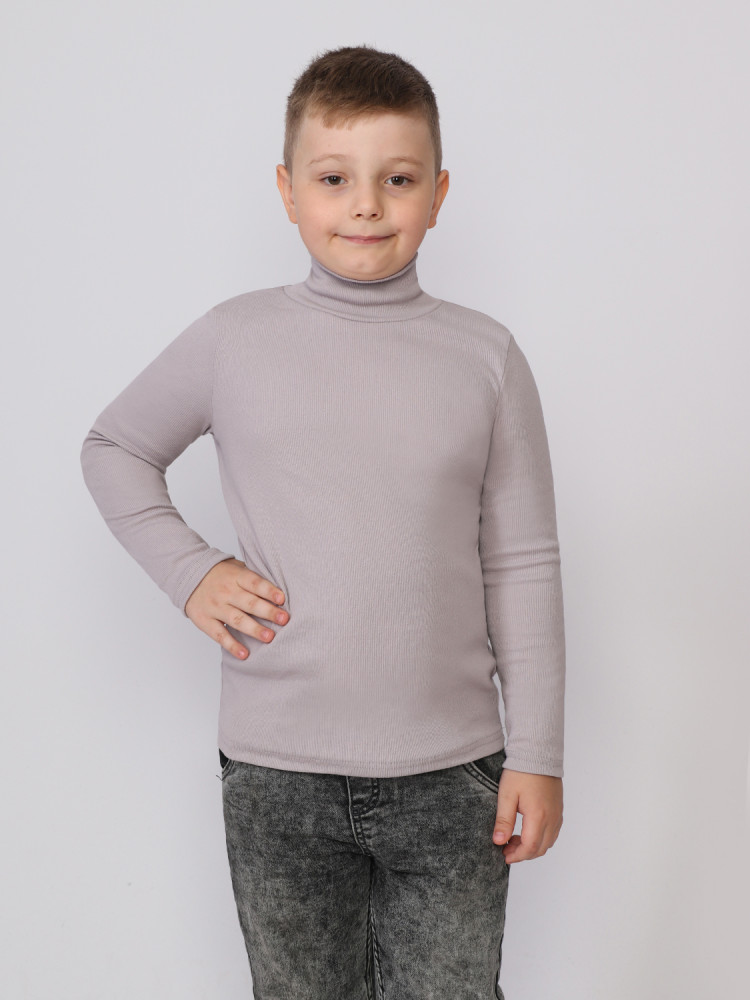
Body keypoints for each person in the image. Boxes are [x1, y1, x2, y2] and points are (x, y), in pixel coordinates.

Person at [80, 44, 565, 1000]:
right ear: (288, 190)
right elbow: (114, 447)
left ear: (439, 194)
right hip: (277, 778)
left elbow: (524, 563)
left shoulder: (486, 358)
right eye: (335, 178)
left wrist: (540, 754)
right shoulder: (235, 337)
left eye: (399, 179)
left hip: (454, 776)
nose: (366, 205)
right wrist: (190, 570)